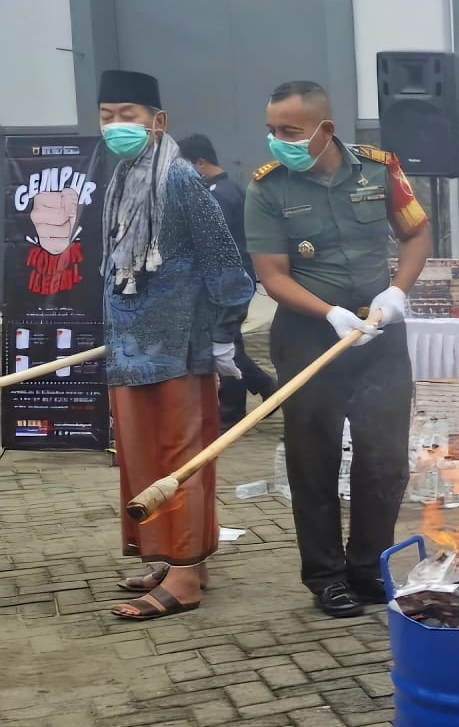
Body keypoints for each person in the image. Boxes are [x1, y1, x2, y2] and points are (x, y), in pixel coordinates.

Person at [244, 80, 431, 618]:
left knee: (385, 459)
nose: (278, 141)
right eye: (272, 130)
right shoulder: (268, 187)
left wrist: (397, 290)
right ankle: (326, 577)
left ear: (325, 130)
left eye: (291, 131)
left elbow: (416, 234)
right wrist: (327, 312)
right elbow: (272, 275)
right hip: (309, 335)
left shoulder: (380, 169)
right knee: (314, 460)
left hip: (378, 332)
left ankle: (369, 567)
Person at [96, 70, 254, 620]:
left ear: (157, 121)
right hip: (131, 350)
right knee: (141, 462)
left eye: (128, 115)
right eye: (107, 115)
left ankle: (185, 579)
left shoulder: (180, 181)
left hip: (180, 351)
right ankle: (174, 557)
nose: (117, 126)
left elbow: (229, 270)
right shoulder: (123, 177)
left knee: (179, 462)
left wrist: (220, 337)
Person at [179, 133, 277, 427]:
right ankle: (263, 387)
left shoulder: (218, 195)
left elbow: (213, 247)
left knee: (223, 344)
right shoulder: (221, 189)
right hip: (226, 281)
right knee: (229, 343)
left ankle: (234, 410)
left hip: (225, 284)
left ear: (199, 162)